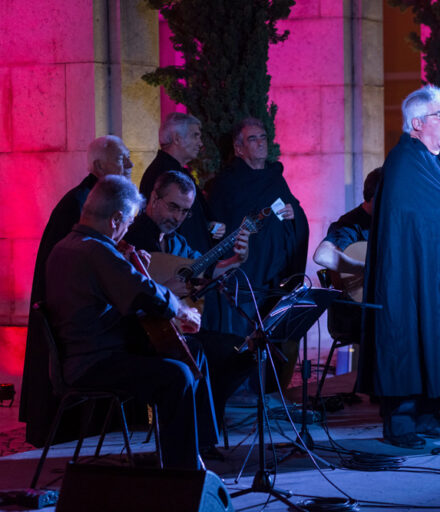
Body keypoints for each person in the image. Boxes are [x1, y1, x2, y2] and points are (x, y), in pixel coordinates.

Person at [45, 175, 217, 469]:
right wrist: (181, 310)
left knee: (188, 354)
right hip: (93, 362)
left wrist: (129, 262)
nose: (127, 229)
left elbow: (119, 284)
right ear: (115, 219)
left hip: (84, 355)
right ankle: (182, 470)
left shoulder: (67, 246)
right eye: (128, 221)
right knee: (177, 375)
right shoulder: (95, 250)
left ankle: (187, 452)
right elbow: (143, 291)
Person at [361, 85, 440, 449]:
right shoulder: (404, 163)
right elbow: (417, 219)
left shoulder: (436, 159)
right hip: (409, 276)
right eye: (439, 115)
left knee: (438, 337)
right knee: (410, 337)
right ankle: (401, 423)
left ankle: (429, 414)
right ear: (416, 123)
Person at [19, 135, 133, 447]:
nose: (131, 165)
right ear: (98, 166)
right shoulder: (82, 204)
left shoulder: (97, 199)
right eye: (123, 159)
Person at [123, 170, 255, 426]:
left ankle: (204, 423)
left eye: (185, 211)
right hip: (144, 336)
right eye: (173, 207)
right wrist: (165, 289)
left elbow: (206, 268)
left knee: (246, 350)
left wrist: (236, 260)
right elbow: (126, 294)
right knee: (219, 353)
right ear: (154, 198)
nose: (177, 217)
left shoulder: (176, 242)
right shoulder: (131, 239)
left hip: (176, 332)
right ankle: (197, 428)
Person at [206, 117, 310, 390]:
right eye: (253, 138)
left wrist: (292, 213)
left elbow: (292, 211)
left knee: (274, 337)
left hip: (274, 276)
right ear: (239, 148)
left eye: (263, 137)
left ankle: (268, 392)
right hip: (242, 276)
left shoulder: (275, 178)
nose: (261, 142)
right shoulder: (226, 183)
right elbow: (213, 224)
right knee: (243, 337)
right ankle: (239, 394)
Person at [139, 112, 224, 253]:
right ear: (177, 138)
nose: (201, 143)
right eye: (195, 135)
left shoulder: (178, 171)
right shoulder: (163, 173)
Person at [313, 168, 382, 337]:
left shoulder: (390, 223)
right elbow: (322, 255)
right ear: (374, 199)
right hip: (355, 311)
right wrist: (366, 269)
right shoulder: (349, 224)